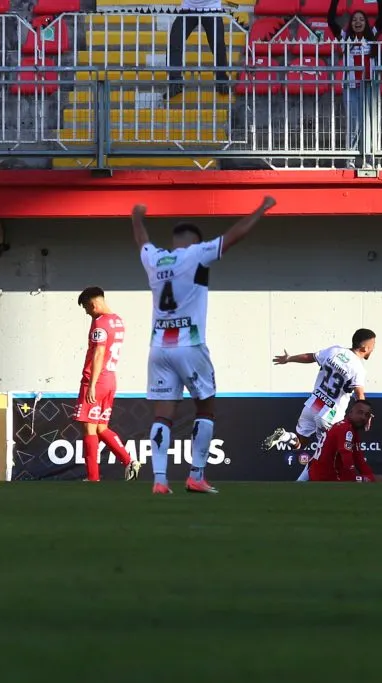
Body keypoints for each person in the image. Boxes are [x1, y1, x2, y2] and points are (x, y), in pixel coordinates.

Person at [132, 196, 277, 495]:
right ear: (196, 241)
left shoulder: (156, 258)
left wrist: (136, 217)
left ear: (174, 241)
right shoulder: (197, 254)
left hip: (159, 346)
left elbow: (142, 241)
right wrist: (260, 209)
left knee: (162, 414)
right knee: (206, 407)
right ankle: (196, 475)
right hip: (190, 343)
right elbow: (234, 236)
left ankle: (159, 480)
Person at [263, 329, 376, 482]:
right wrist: (366, 414)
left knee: (299, 442)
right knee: (324, 455)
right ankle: (298, 485)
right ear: (365, 348)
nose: (374, 348)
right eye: (373, 345)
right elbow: (359, 394)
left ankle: (284, 436)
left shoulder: (334, 351)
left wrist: (289, 358)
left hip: (314, 403)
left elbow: (310, 357)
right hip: (330, 414)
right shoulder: (358, 368)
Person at [73, 287, 140, 482]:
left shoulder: (99, 323)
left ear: (93, 304)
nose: (87, 312)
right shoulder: (117, 320)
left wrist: (91, 384)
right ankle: (128, 461)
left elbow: (99, 352)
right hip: (111, 379)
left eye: (86, 308)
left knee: (89, 429)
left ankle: (93, 478)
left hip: (96, 379)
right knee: (101, 427)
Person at [328, 0, 382, 162]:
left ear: (366, 23)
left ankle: (369, 159)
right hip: (351, 87)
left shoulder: (372, 35)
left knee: (369, 123)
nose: (358, 22)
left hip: (370, 87)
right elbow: (330, 21)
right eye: (354, 20)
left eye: (361, 19)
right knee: (353, 124)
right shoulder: (344, 38)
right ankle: (351, 159)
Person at [305, 400, 382, 482]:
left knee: (377, 479)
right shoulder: (346, 429)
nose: (363, 417)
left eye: (367, 415)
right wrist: (361, 479)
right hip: (327, 478)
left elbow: (359, 459)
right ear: (350, 413)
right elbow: (347, 461)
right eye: (360, 412)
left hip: (322, 475)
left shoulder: (350, 428)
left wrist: (370, 476)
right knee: (380, 479)